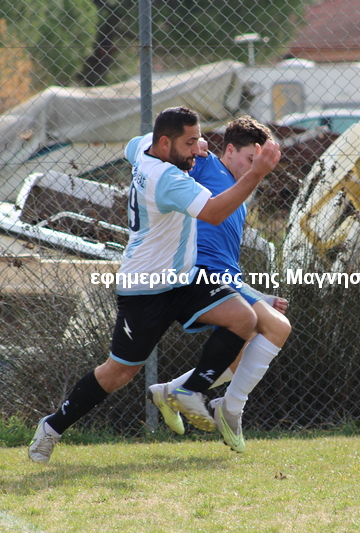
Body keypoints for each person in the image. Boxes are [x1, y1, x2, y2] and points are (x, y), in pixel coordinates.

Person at [28, 107, 281, 464]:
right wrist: (256, 173)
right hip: (145, 289)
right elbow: (213, 212)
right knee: (119, 373)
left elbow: (133, 144)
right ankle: (52, 426)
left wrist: (196, 142)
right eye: (189, 143)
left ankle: (189, 391)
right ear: (166, 144)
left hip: (184, 279)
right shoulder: (167, 180)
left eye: (198, 140)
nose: (198, 150)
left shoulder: (147, 149)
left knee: (243, 318)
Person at [146, 116, 291, 453]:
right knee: (279, 329)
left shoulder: (240, 193)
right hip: (202, 274)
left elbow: (229, 260)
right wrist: (195, 146)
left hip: (226, 278)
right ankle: (230, 409)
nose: (254, 169)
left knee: (242, 356)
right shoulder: (207, 165)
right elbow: (165, 153)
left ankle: (169, 391)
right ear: (228, 151)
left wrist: (258, 295)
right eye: (249, 160)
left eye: (259, 163)